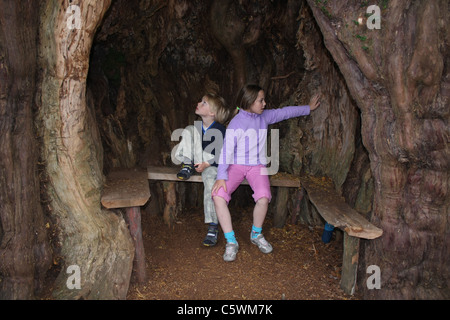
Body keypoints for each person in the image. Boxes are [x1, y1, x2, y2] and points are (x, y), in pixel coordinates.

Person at [211, 84, 321, 262]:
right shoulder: (236, 123)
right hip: (236, 165)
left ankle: (256, 234)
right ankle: (231, 241)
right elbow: (226, 151)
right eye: (260, 100)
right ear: (248, 102)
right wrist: (221, 176)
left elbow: (285, 112)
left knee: (263, 197)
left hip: (257, 166)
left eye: (263, 100)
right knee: (218, 196)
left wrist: (308, 108)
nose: (264, 103)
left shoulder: (264, 117)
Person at [174, 93, 230, 246]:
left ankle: (213, 225)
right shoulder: (196, 128)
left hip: (212, 165)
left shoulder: (220, 129)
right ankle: (187, 165)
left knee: (211, 185)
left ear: (212, 113)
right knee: (188, 130)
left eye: (204, 103)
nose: (199, 103)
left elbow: (222, 154)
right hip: (197, 160)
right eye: (201, 101)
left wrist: (206, 163)